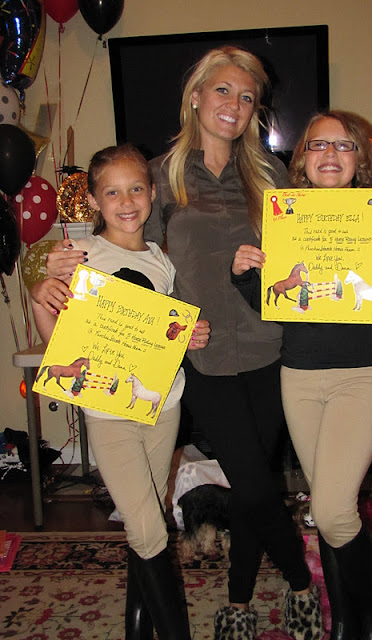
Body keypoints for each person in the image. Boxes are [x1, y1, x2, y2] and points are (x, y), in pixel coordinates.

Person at [39, 47, 320, 640]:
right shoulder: (159, 176)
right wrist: (60, 265)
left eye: (247, 97)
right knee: (254, 484)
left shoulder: (270, 175)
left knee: (251, 486)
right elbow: (122, 245)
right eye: (223, 90)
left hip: (270, 348)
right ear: (196, 96)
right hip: (199, 356)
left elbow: (306, 252)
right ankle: (300, 583)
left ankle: (237, 602)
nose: (235, 104)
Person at [231, 110, 372, 640]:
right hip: (300, 377)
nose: (330, 154)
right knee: (332, 505)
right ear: (301, 157)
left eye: (344, 145)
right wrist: (246, 274)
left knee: (329, 508)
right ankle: (345, 620)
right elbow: (273, 304)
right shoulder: (283, 219)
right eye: (318, 144)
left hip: (359, 377)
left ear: (360, 158)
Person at [30, 144, 211, 640]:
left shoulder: (162, 260)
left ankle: (138, 630)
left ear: (151, 193)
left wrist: (189, 335)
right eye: (112, 192)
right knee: (149, 529)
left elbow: (162, 337)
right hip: (108, 411)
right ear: (93, 200)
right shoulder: (78, 256)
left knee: (143, 522)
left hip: (163, 406)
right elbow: (57, 339)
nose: (126, 201)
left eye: (136, 189)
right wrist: (40, 295)